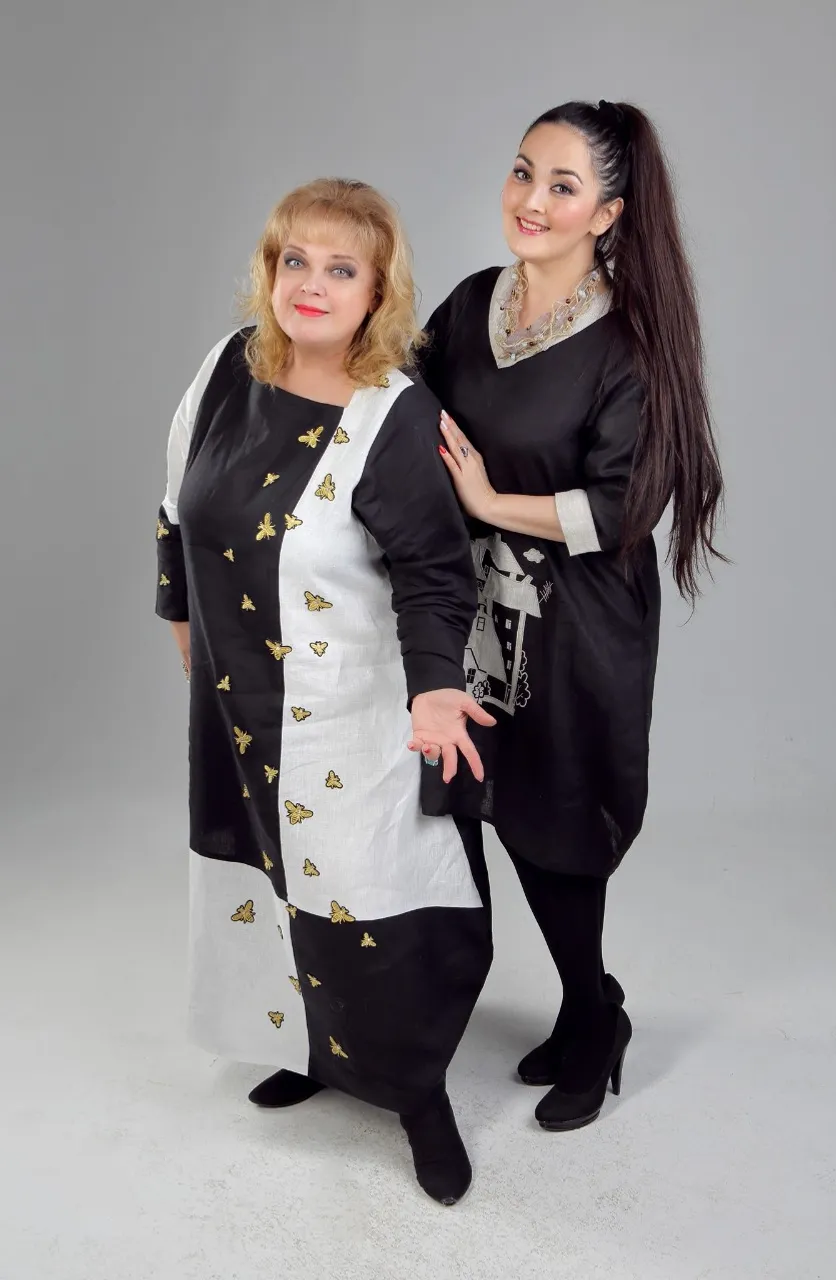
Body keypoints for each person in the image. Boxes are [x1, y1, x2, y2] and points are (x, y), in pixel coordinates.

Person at [155, 177, 496, 1204]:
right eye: (294, 260)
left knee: (367, 905)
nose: (311, 284)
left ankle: (419, 1095)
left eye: (340, 269)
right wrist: (181, 619)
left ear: (376, 291)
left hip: (347, 712)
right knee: (268, 884)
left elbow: (436, 573)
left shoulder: (393, 414)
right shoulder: (227, 370)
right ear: (269, 271)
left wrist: (434, 692)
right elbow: (174, 506)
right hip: (236, 704)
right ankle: (310, 1048)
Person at [415, 101, 725, 1131]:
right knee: (486, 802)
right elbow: (402, 412)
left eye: (561, 185)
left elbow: (623, 507)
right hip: (470, 612)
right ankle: (583, 1004)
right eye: (521, 172)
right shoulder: (471, 304)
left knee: (557, 818)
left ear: (608, 212)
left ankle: (593, 1019)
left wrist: (487, 500)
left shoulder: (627, 344)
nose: (531, 200)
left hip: (578, 620)